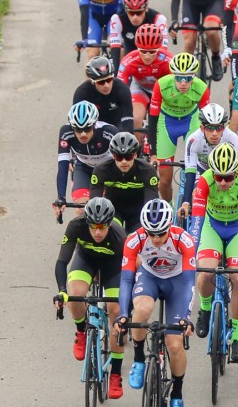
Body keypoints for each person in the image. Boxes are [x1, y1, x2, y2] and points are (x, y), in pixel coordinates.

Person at [115, 200, 196, 407]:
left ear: (170, 225)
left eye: (161, 233)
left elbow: (188, 282)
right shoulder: (135, 240)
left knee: (174, 344)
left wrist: (186, 317)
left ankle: (177, 393)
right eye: (151, 234)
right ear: (144, 230)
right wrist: (124, 313)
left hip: (177, 282)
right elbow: (126, 279)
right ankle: (140, 359)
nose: (156, 238)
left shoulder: (184, 240)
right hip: (149, 278)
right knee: (141, 310)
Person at [188, 143, 238, 362]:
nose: (223, 182)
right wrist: (190, 254)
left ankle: (237, 336)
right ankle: (206, 308)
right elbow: (197, 222)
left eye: (228, 178)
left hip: (237, 228)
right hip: (212, 226)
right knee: (206, 271)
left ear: (237, 172)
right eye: (219, 177)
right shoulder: (205, 181)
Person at [54, 197, 127, 398]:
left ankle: (115, 374)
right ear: (86, 222)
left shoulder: (120, 236)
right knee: (75, 295)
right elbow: (62, 262)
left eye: (102, 227)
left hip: (113, 267)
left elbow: (128, 273)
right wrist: (62, 291)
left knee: (116, 312)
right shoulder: (75, 226)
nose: (97, 232)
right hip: (85, 260)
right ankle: (81, 332)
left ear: (110, 223)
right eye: (93, 226)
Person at [147, 52, 211, 203]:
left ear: (193, 77)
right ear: (173, 76)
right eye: (179, 78)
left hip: (191, 121)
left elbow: (207, 120)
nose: (183, 83)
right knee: (164, 177)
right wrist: (153, 153)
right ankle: (168, 207)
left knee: (196, 166)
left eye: (188, 78)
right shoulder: (162, 85)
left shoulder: (201, 87)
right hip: (167, 122)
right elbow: (153, 120)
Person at [89, 131, 159, 232]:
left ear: (135, 155)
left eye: (128, 156)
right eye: (119, 157)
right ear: (113, 156)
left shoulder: (147, 171)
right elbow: (94, 202)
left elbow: (151, 204)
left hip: (137, 212)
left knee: (134, 239)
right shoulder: (101, 170)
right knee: (114, 232)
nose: (124, 161)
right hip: (113, 210)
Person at [72, 56, 134, 131]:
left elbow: (128, 120)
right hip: (93, 126)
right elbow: (77, 122)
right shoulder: (82, 92)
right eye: (101, 82)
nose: (106, 85)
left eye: (109, 79)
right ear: (92, 82)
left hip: (117, 124)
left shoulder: (122, 89)